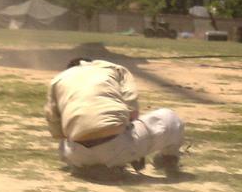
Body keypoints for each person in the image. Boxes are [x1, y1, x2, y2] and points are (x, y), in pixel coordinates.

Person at [44, 57, 185, 175]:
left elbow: (56, 132)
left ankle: (86, 166)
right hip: (116, 149)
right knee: (169, 118)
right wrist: (136, 152)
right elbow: (132, 114)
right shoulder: (115, 69)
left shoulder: (57, 80)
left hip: (75, 155)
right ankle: (167, 159)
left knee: (68, 131)